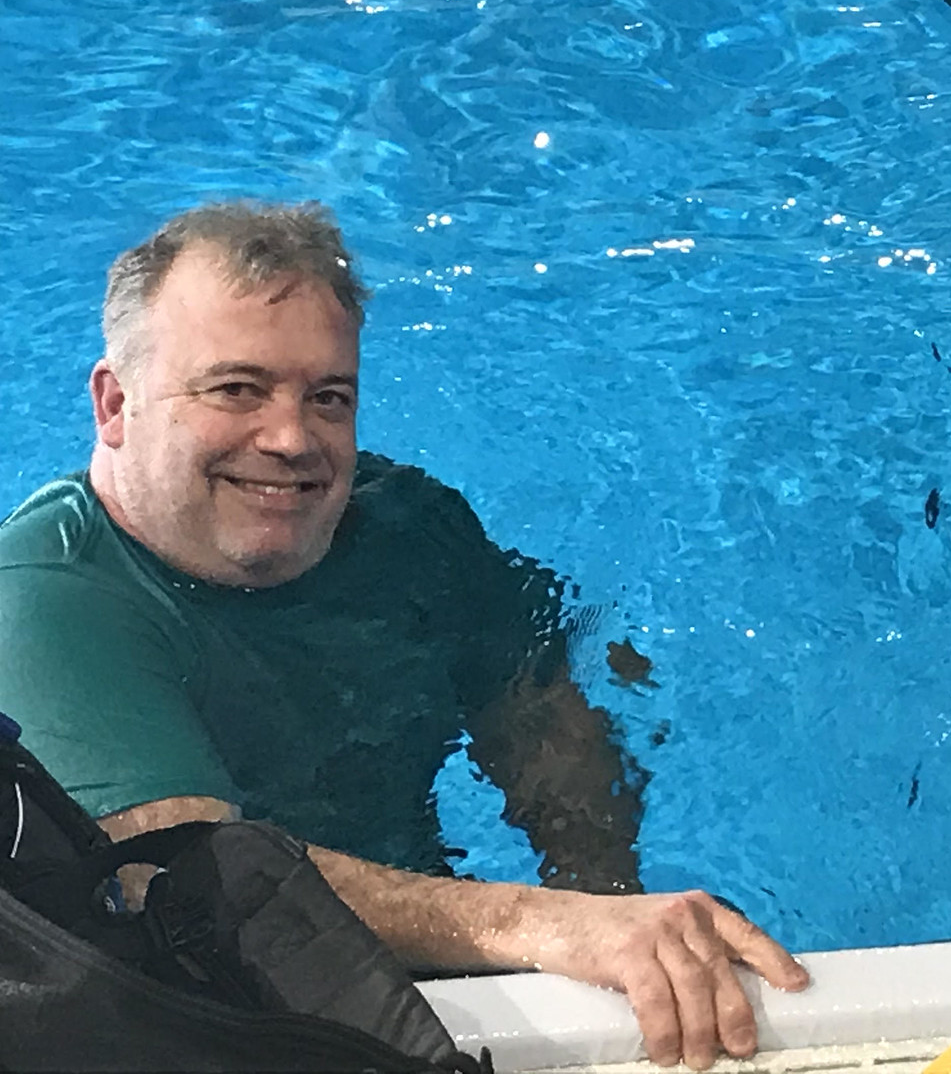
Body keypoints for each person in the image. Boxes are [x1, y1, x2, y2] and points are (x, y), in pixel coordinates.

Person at [0, 203, 808, 1070]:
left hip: (439, 959)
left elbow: (542, 723)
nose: (291, 439)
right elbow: (193, 883)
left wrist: (612, 907)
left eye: (329, 398)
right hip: (222, 1018)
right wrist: (546, 925)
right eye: (236, 389)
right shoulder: (47, 597)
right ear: (116, 404)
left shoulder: (408, 530)